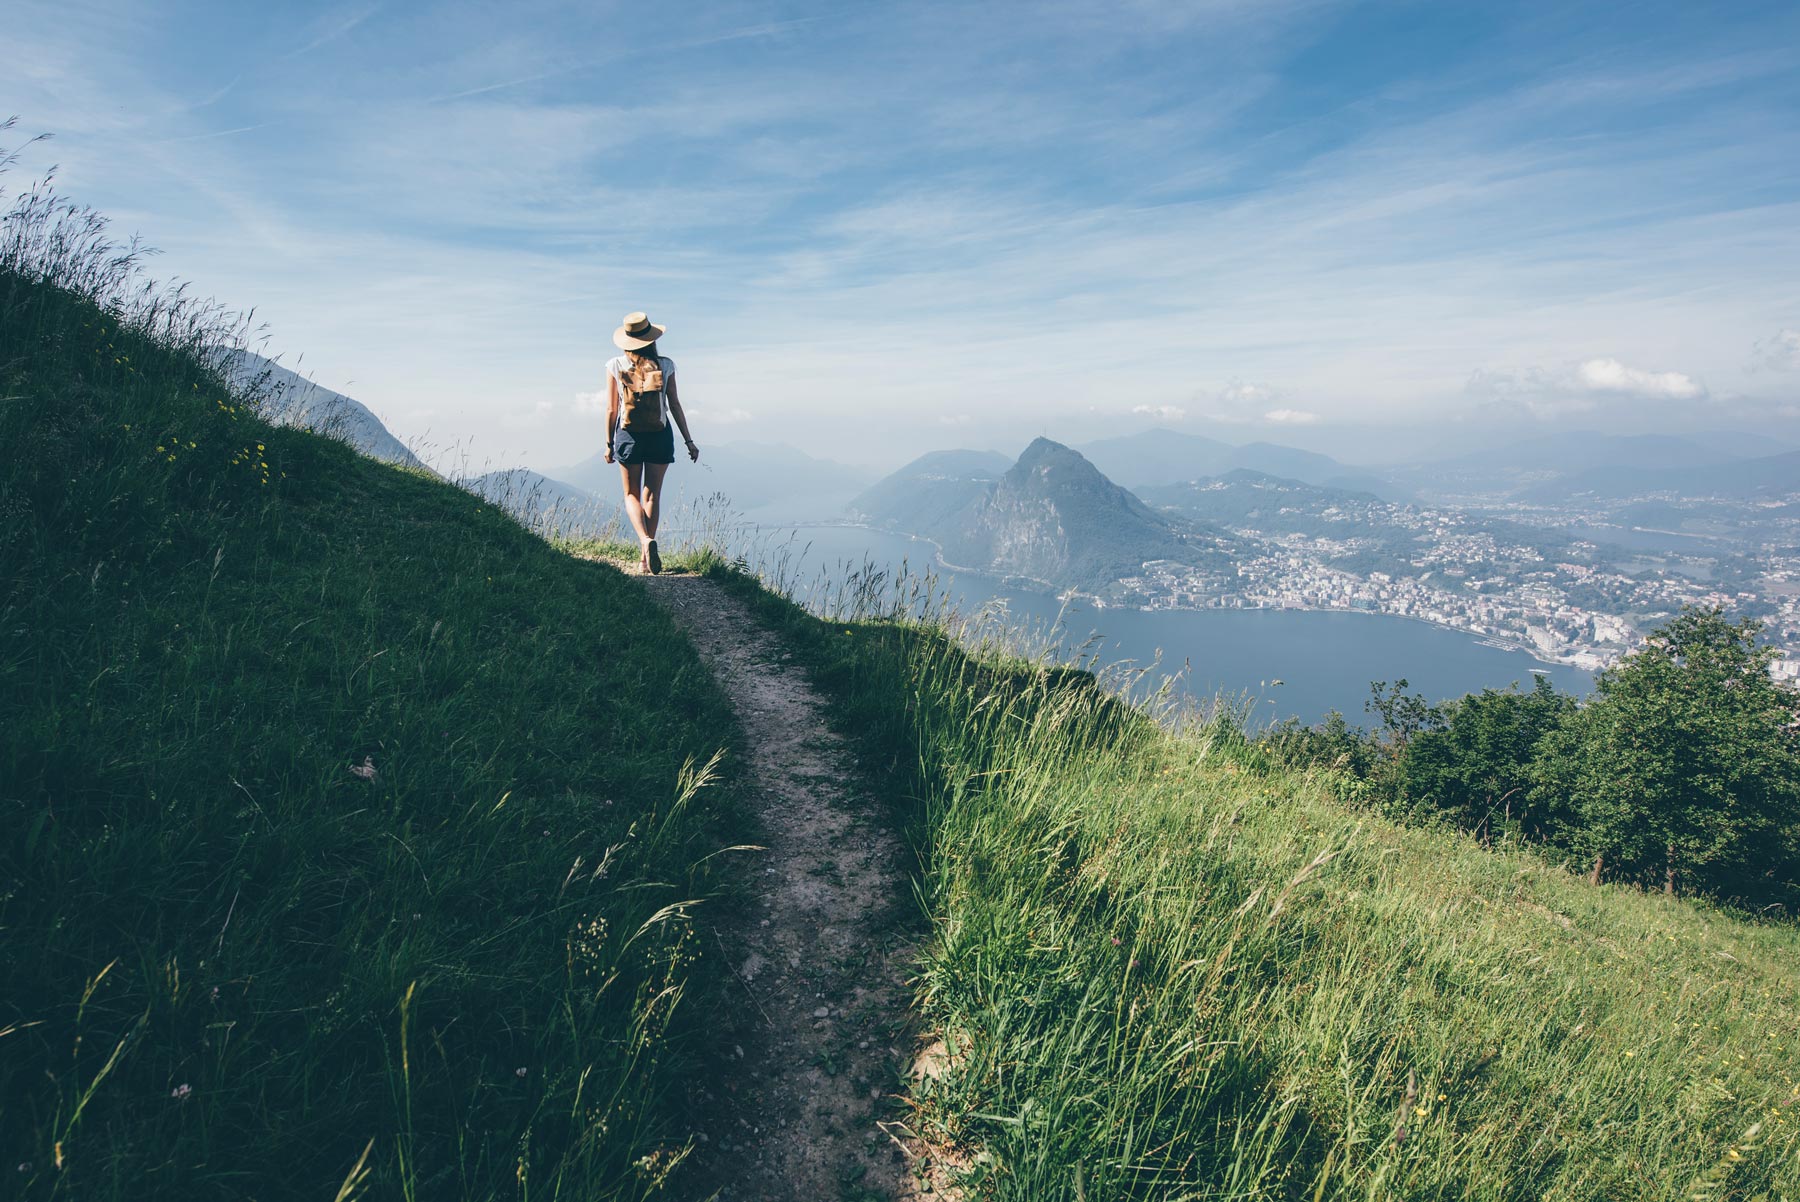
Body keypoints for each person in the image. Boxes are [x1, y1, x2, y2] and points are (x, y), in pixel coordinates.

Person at [604, 311, 698, 574]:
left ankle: (645, 541)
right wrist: (689, 441)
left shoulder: (615, 365)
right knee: (652, 494)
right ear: (651, 338)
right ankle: (645, 559)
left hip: (628, 436)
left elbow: (612, 409)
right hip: (660, 434)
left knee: (631, 494)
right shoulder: (666, 365)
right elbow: (675, 405)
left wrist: (608, 443)